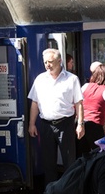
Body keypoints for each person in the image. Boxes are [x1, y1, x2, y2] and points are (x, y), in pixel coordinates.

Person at [28, 48, 84, 185]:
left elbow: (79, 103)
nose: (47, 65)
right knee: (48, 163)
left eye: (51, 62)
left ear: (60, 61)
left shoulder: (72, 79)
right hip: (46, 124)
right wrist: (31, 124)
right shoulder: (40, 79)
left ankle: (69, 192)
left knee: (69, 161)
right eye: (45, 62)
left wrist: (80, 124)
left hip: (65, 124)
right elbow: (35, 103)